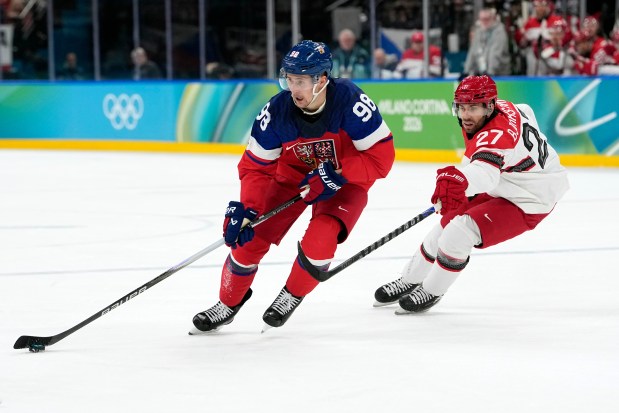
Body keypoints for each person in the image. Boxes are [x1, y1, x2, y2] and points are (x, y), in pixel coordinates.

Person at [191, 40, 395, 332]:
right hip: (291, 177)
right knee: (249, 238)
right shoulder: (276, 112)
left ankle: (292, 294)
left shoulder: (350, 101)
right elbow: (255, 167)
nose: (292, 88)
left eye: (300, 81)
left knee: (321, 240)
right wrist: (248, 207)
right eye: (289, 79)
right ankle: (227, 304)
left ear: (322, 80)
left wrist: (338, 172)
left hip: (344, 181)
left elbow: (381, 159)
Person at [373, 75, 569, 314]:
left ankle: (432, 290)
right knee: (443, 227)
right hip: (507, 182)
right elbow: (524, 112)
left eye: (473, 108)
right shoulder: (501, 108)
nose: (465, 115)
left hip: (532, 197)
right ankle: (409, 279)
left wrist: (462, 182)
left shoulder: (495, 136)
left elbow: (485, 174)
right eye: (461, 107)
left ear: (489, 106)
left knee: (458, 234)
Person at [463, 8, 511, 76]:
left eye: (487, 19)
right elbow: (472, 52)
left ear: (493, 18)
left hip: (499, 74)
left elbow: (495, 54)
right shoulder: (479, 31)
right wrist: (466, 71)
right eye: (482, 19)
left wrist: (490, 73)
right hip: (483, 73)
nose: (484, 22)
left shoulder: (499, 32)